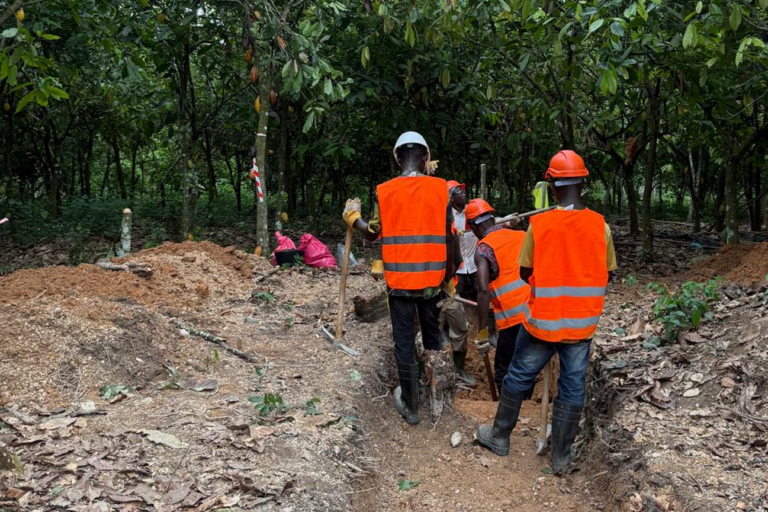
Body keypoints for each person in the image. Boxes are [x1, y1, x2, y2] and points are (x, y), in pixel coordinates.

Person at [476, 150, 617, 475]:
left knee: (517, 375)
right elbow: (607, 273)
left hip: (542, 322)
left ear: (551, 185)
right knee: (572, 386)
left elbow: (526, 273)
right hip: (581, 327)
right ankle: (562, 456)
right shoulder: (601, 227)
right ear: (583, 184)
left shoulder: (539, 226)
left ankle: (499, 437)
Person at [343, 131, 456, 426]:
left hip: (400, 285)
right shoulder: (441, 189)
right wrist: (450, 278)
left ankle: (411, 404)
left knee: (404, 342)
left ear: (397, 159)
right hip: (432, 283)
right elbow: (450, 236)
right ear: (425, 158)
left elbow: (373, 231)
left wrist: (353, 219)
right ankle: (436, 395)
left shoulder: (385, 191)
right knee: (432, 338)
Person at [464, 198, 530, 391]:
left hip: (513, 317)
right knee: (527, 364)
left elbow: (483, 291)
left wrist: (482, 332)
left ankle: (506, 408)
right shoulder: (522, 236)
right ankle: (525, 402)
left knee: (503, 368)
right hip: (536, 311)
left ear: (475, 228)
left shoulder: (484, 249)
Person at [439, 180, 476, 388]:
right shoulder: (442, 223)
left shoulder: (467, 216)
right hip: (436, 283)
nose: (463, 193)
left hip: (457, 276)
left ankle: (459, 368)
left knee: (460, 324)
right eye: (458, 191)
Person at [446, 181, 478, 299]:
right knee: (454, 297)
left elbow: (489, 221)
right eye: (460, 192)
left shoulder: (472, 210)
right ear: (451, 198)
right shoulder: (446, 217)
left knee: (483, 291)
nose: (464, 194)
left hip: (474, 262)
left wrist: (507, 221)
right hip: (457, 266)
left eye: (464, 191)